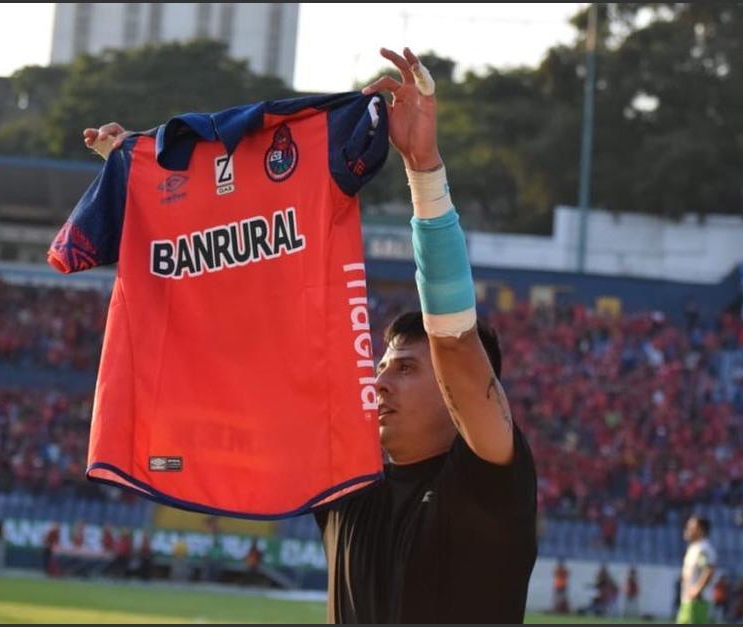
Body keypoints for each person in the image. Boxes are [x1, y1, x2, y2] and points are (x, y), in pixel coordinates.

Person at [83, 46, 537, 624]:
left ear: (461, 398)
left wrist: (423, 168)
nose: (380, 381)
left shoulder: (490, 487)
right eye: (382, 364)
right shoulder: (343, 479)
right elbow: (245, 316)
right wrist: (153, 183)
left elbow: (452, 341)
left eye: (405, 368)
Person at [677, 516, 716, 624]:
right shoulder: (694, 548)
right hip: (688, 600)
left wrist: (697, 590)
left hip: (697, 601)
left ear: (700, 530)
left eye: (691, 527)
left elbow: (709, 569)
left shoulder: (703, 548)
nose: (687, 529)